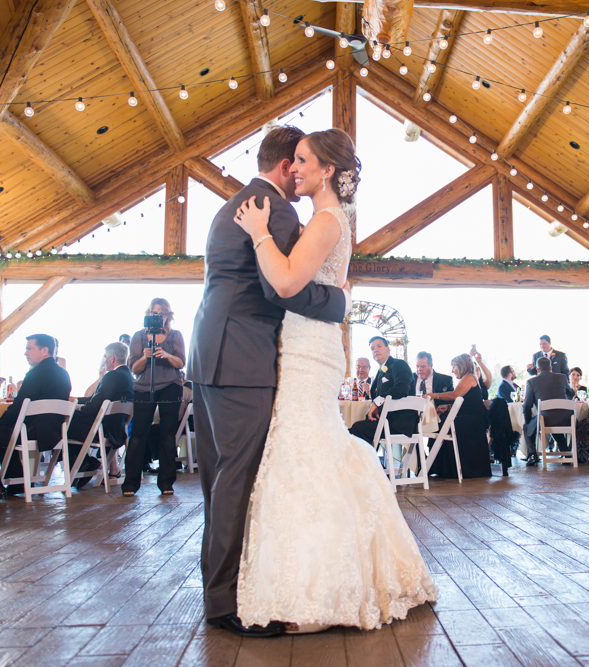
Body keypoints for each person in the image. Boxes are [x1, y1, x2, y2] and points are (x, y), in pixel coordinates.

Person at [232, 128, 436, 632]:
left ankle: (319, 588)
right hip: (310, 343)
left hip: (309, 348)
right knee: (311, 445)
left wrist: (259, 231)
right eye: (293, 160)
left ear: (328, 170)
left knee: (306, 448)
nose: (293, 168)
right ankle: (317, 575)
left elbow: (284, 282)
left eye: (302, 161)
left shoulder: (325, 220)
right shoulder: (328, 219)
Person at [186, 125, 351, 638]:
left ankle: (218, 589)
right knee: (236, 481)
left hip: (210, 356)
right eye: (296, 161)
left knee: (218, 481)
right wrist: (341, 302)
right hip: (244, 361)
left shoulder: (230, 204)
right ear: (287, 164)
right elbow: (283, 289)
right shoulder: (273, 211)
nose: (299, 171)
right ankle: (226, 605)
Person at [0, 334, 71, 503]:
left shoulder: (36, 374)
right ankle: (17, 483)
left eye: (29, 348)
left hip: (31, 432)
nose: (25, 353)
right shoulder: (64, 374)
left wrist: (0, 423)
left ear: (44, 351)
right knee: (5, 434)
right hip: (54, 433)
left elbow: (19, 406)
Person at [122, 298, 185, 497]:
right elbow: (134, 368)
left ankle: (167, 482)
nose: (160, 316)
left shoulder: (175, 335)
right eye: (156, 312)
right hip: (143, 387)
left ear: (168, 315)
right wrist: (145, 356)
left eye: (164, 312)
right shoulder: (138, 336)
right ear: (149, 313)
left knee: (167, 434)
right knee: (138, 433)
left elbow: (181, 363)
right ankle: (130, 484)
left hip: (170, 386)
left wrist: (165, 354)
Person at [67, 342, 135, 486]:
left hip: (102, 430)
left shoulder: (112, 376)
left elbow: (93, 407)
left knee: (63, 425)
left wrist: (73, 410)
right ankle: (85, 464)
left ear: (111, 358)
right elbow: (99, 399)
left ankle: (86, 463)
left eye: (105, 358)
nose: (104, 361)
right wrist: (76, 400)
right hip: (117, 429)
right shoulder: (129, 377)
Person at [425, 353, 492, 478]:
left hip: (474, 419)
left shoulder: (469, 377)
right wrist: (449, 407)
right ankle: (441, 466)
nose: (452, 370)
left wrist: (434, 395)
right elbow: (465, 401)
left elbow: (456, 395)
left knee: (443, 422)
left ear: (461, 366)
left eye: (454, 367)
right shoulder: (467, 378)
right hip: (470, 416)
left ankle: (442, 466)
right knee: (442, 420)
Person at [349, 337, 416, 444]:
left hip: (399, 423)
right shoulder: (380, 371)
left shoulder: (399, 364)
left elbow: (403, 387)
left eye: (379, 346)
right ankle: (367, 459)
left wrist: (377, 401)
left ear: (388, 349)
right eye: (372, 348)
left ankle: (365, 460)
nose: (375, 350)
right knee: (350, 430)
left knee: (357, 429)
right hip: (384, 420)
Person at [521, 356, 575, 466]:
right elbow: (571, 394)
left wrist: (528, 422)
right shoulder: (562, 377)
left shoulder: (532, 381)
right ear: (551, 368)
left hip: (545, 419)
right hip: (566, 418)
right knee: (554, 422)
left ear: (537, 369)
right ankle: (566, 452)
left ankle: (532, 454)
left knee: (527, 427)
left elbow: (527, 406)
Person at [410, 351, 453, 417]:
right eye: (417, 366)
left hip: (436, 416)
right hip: (413, 416)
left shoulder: (445, 380)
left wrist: (447, 406)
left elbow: (452, 400)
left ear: (431, 366)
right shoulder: (410, 379)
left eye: (423, 366)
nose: (419, 369)